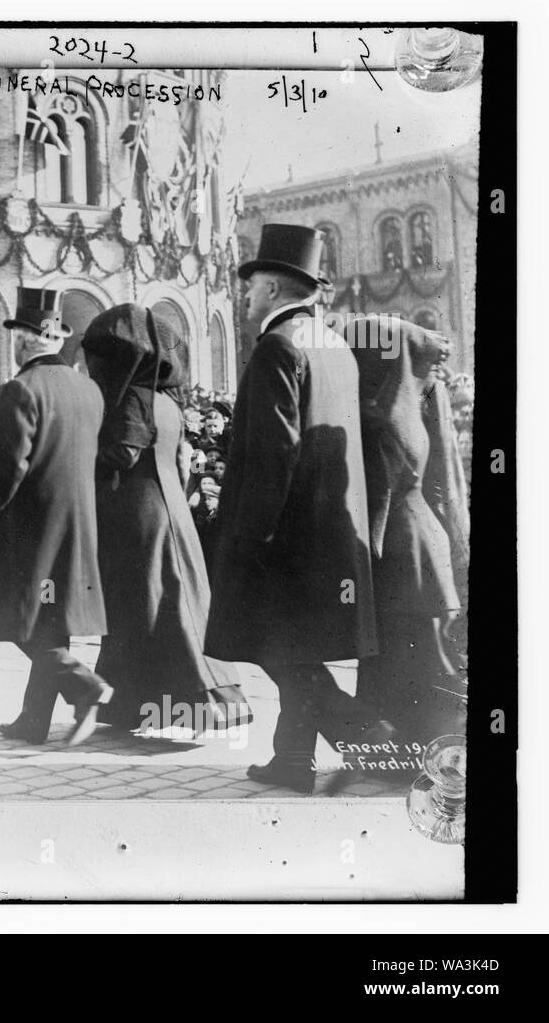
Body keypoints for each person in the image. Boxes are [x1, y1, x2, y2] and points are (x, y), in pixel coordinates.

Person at [204, 224, 383, 794]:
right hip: (330, 535)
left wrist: (249, 539)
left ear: (277, 288)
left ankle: (378, 742)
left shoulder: (278, 347)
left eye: (252, 285)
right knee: (295, 650)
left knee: (282, 654)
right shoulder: (334, 347)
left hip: (283, 540)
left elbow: (272, 455)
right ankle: (291, 760)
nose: (247, 295)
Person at [82, 304, 252, 736]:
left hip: (140, 511)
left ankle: (186, 709)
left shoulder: (134, 396)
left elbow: (123, 452)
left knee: (156, 606)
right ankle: (145, 706)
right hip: (167, 508)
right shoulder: (166, 399)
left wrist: (76, 454)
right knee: (163, 604)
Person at [0, 286, 112, 746]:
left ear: (25, 339)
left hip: (30, 526)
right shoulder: (89, 389)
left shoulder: (21, 388)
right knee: (51, 621)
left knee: (17, 617)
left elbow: (10, 467)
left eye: (16, 334)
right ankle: (34, 720)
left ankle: (85, 685)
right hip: (79, 522)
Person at [348, 315, 465, 749]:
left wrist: (365, 554)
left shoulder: (380, 419)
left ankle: (425, 751)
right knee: (417, 652)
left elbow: (378, 496)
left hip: (399, 545)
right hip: (420, 540)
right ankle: (417, 747)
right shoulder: (409, 407)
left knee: (408, 653)